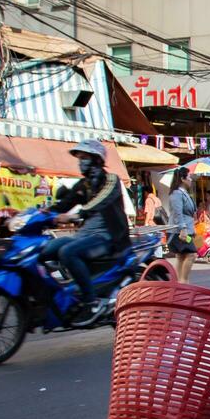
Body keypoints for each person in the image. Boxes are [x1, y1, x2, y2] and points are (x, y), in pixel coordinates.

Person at [47, 140, 130, 327]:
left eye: (84, 158)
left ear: (96, 159)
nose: (81, 162)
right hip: (86, 235)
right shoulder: (83, 184)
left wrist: (75, 215)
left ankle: (90, 302)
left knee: (68, 252)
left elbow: (101, 201)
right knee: (46, 249)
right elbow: (64, 203)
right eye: (79, 159)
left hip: (108, 236)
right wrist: (40, 214)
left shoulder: (111, 180)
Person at [166, 167, 199, 282]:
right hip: (178, 231)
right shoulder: (176, 194)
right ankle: (183, 282)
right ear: (182, 179)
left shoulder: (183, 193)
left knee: (181, 256)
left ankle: (179, 282)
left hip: (185, 229)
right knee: (192, 254)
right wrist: (183, 229)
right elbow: (177, 213)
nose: (191, 179)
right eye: (189, 177)